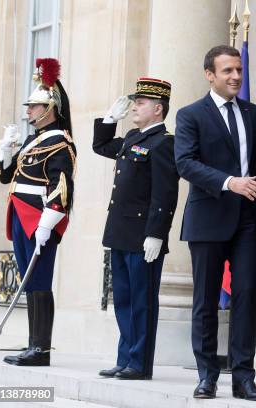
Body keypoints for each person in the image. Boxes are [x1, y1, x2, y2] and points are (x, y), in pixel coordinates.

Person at [175, 45, 256, 401]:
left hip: (249, 220)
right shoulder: (190, 115)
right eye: (228, 71)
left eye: (238, 71)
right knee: (205, 300)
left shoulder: (254, 113)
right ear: (210, 74)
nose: (235, 77)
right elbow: (185, 163)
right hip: (208, 217)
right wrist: (230, 182)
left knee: (247, 295)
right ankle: (207, 376)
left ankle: (244, 377)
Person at [92, 78, 178, 380]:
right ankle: (125, 357)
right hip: (120, 232)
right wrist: (108, 120)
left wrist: (157, 233)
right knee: (125, 300)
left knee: (142, 301)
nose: (134, 108)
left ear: (157, 108)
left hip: (143, 235)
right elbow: (101, 146)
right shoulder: (131, 137)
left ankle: (139, 363)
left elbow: (165, 193)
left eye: (139, 103)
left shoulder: (164, 143)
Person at [0, 58, 75, 366]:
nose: (28, 110)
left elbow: (62, 188)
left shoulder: (60, 143)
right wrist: (5, 149)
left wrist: (48, 222)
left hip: (38, 219)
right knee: (30, 282)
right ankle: (33, 345)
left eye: (34, 106)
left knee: (39, 280)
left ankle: (40, 349)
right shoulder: (33, 140)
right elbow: (6, 177)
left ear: (49, 108)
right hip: (19, 214)